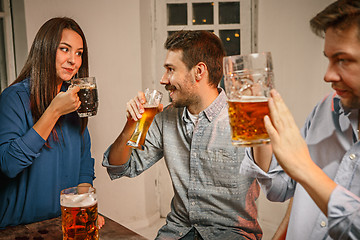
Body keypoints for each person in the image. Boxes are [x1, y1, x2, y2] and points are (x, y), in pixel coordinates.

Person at [103, 30, 262, 239]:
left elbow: (274, 177)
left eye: (170, 69)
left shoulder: (243, 116)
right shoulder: (165, 118)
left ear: (199, 71)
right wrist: (130, 126)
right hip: (178, 232)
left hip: (231, 234)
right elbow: (121, 167)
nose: (163, 79)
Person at [240, 0, 360, 239]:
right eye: (328, 58)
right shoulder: (326, 109)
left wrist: (304, 168)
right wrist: (262, 131)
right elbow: (281, 187)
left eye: (343, 60)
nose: (328, 75)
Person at [0, 17, 103, 229]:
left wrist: (84, 209)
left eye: (79, 53)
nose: (73, 60)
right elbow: (9, 165)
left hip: (63, 225)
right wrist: (54, 111)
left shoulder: (76, 102)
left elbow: (84, 166)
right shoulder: (14, 98)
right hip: (19, 229)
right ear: (45, 50)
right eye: (65, 49)